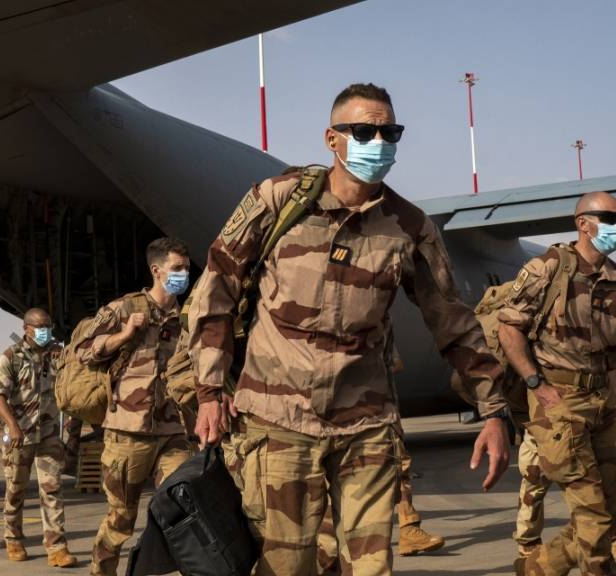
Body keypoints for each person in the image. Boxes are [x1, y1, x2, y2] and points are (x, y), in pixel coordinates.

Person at [188, 83, 510, 575]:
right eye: (363, 130)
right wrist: (210, 390)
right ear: (332, 139)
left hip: (366, 424)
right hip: (278, 419)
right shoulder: (278, 200)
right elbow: (216, 289)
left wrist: (493, 409)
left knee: (370, 567)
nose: (377, 141)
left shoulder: (409, 226)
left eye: (389, 131)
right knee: (285, 565)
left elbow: (452, 319)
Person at [498, 191, 616, 575]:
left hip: (604, 403)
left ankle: (536, 569)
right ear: (583, 223)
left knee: (605, 514)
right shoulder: (547, 268)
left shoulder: (612, 277)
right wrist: (536, 384)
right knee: (594, 520)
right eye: (608, 219)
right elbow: (509, 327)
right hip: (560, 406)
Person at [79, 237, 193, 576]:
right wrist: (123, 336)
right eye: (177, 269)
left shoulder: (187, 316)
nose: (183, 275)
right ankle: (101, 571)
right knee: (121, 520)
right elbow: (84, 350)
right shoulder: (124, 309)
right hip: (128, 432)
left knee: (183, 504)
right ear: (157, 271)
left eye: (186, 269)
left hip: (173, 431)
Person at [0, 308, 77, 568]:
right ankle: (13, 538)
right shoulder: (11, 357)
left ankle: (56, 547)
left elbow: (71, 387)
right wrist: (13, 426)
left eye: (48, 326)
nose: (45, 331)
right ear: (26, 327)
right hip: (19, 434)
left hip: (48, 433)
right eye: (40, 326)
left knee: (52, 488)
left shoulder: (58, 355)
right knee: (16, 490)